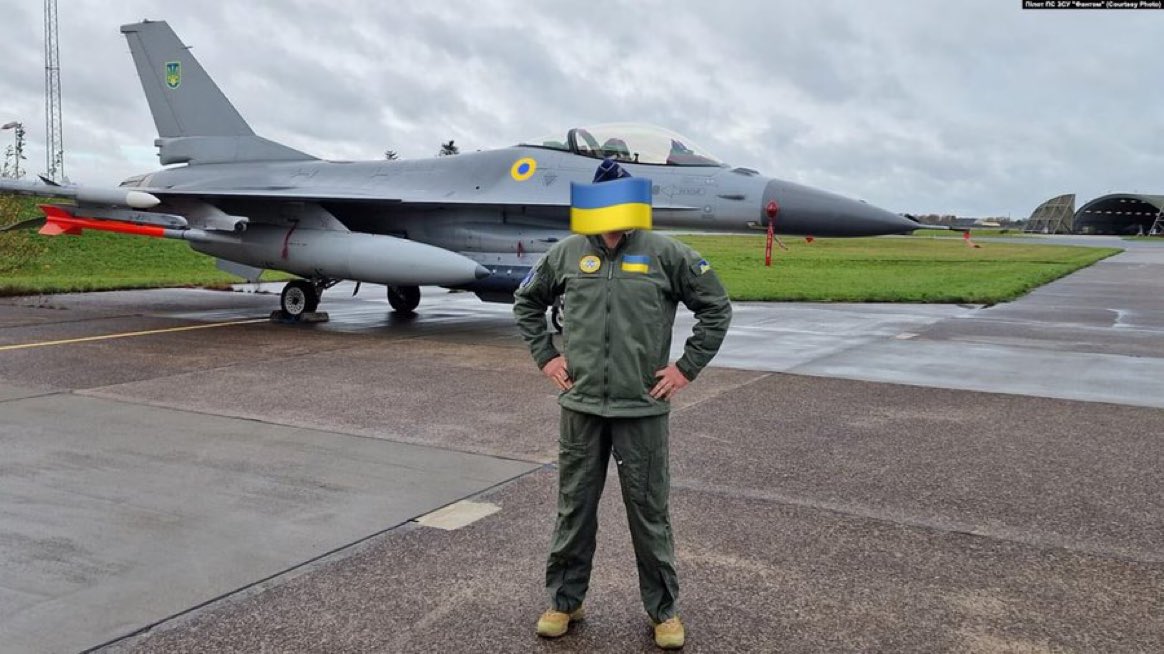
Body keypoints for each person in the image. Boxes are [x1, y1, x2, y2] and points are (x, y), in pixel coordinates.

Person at [513, 165, 732, 650]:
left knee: (649, 512)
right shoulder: (567, 253)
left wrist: (685, 368)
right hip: (582, 408)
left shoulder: (667, 254)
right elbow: (526, 302)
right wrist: (547, 357)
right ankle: (564, 601)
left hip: (642, 409)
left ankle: (663, 610)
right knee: (574, 508)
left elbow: (716, 307)